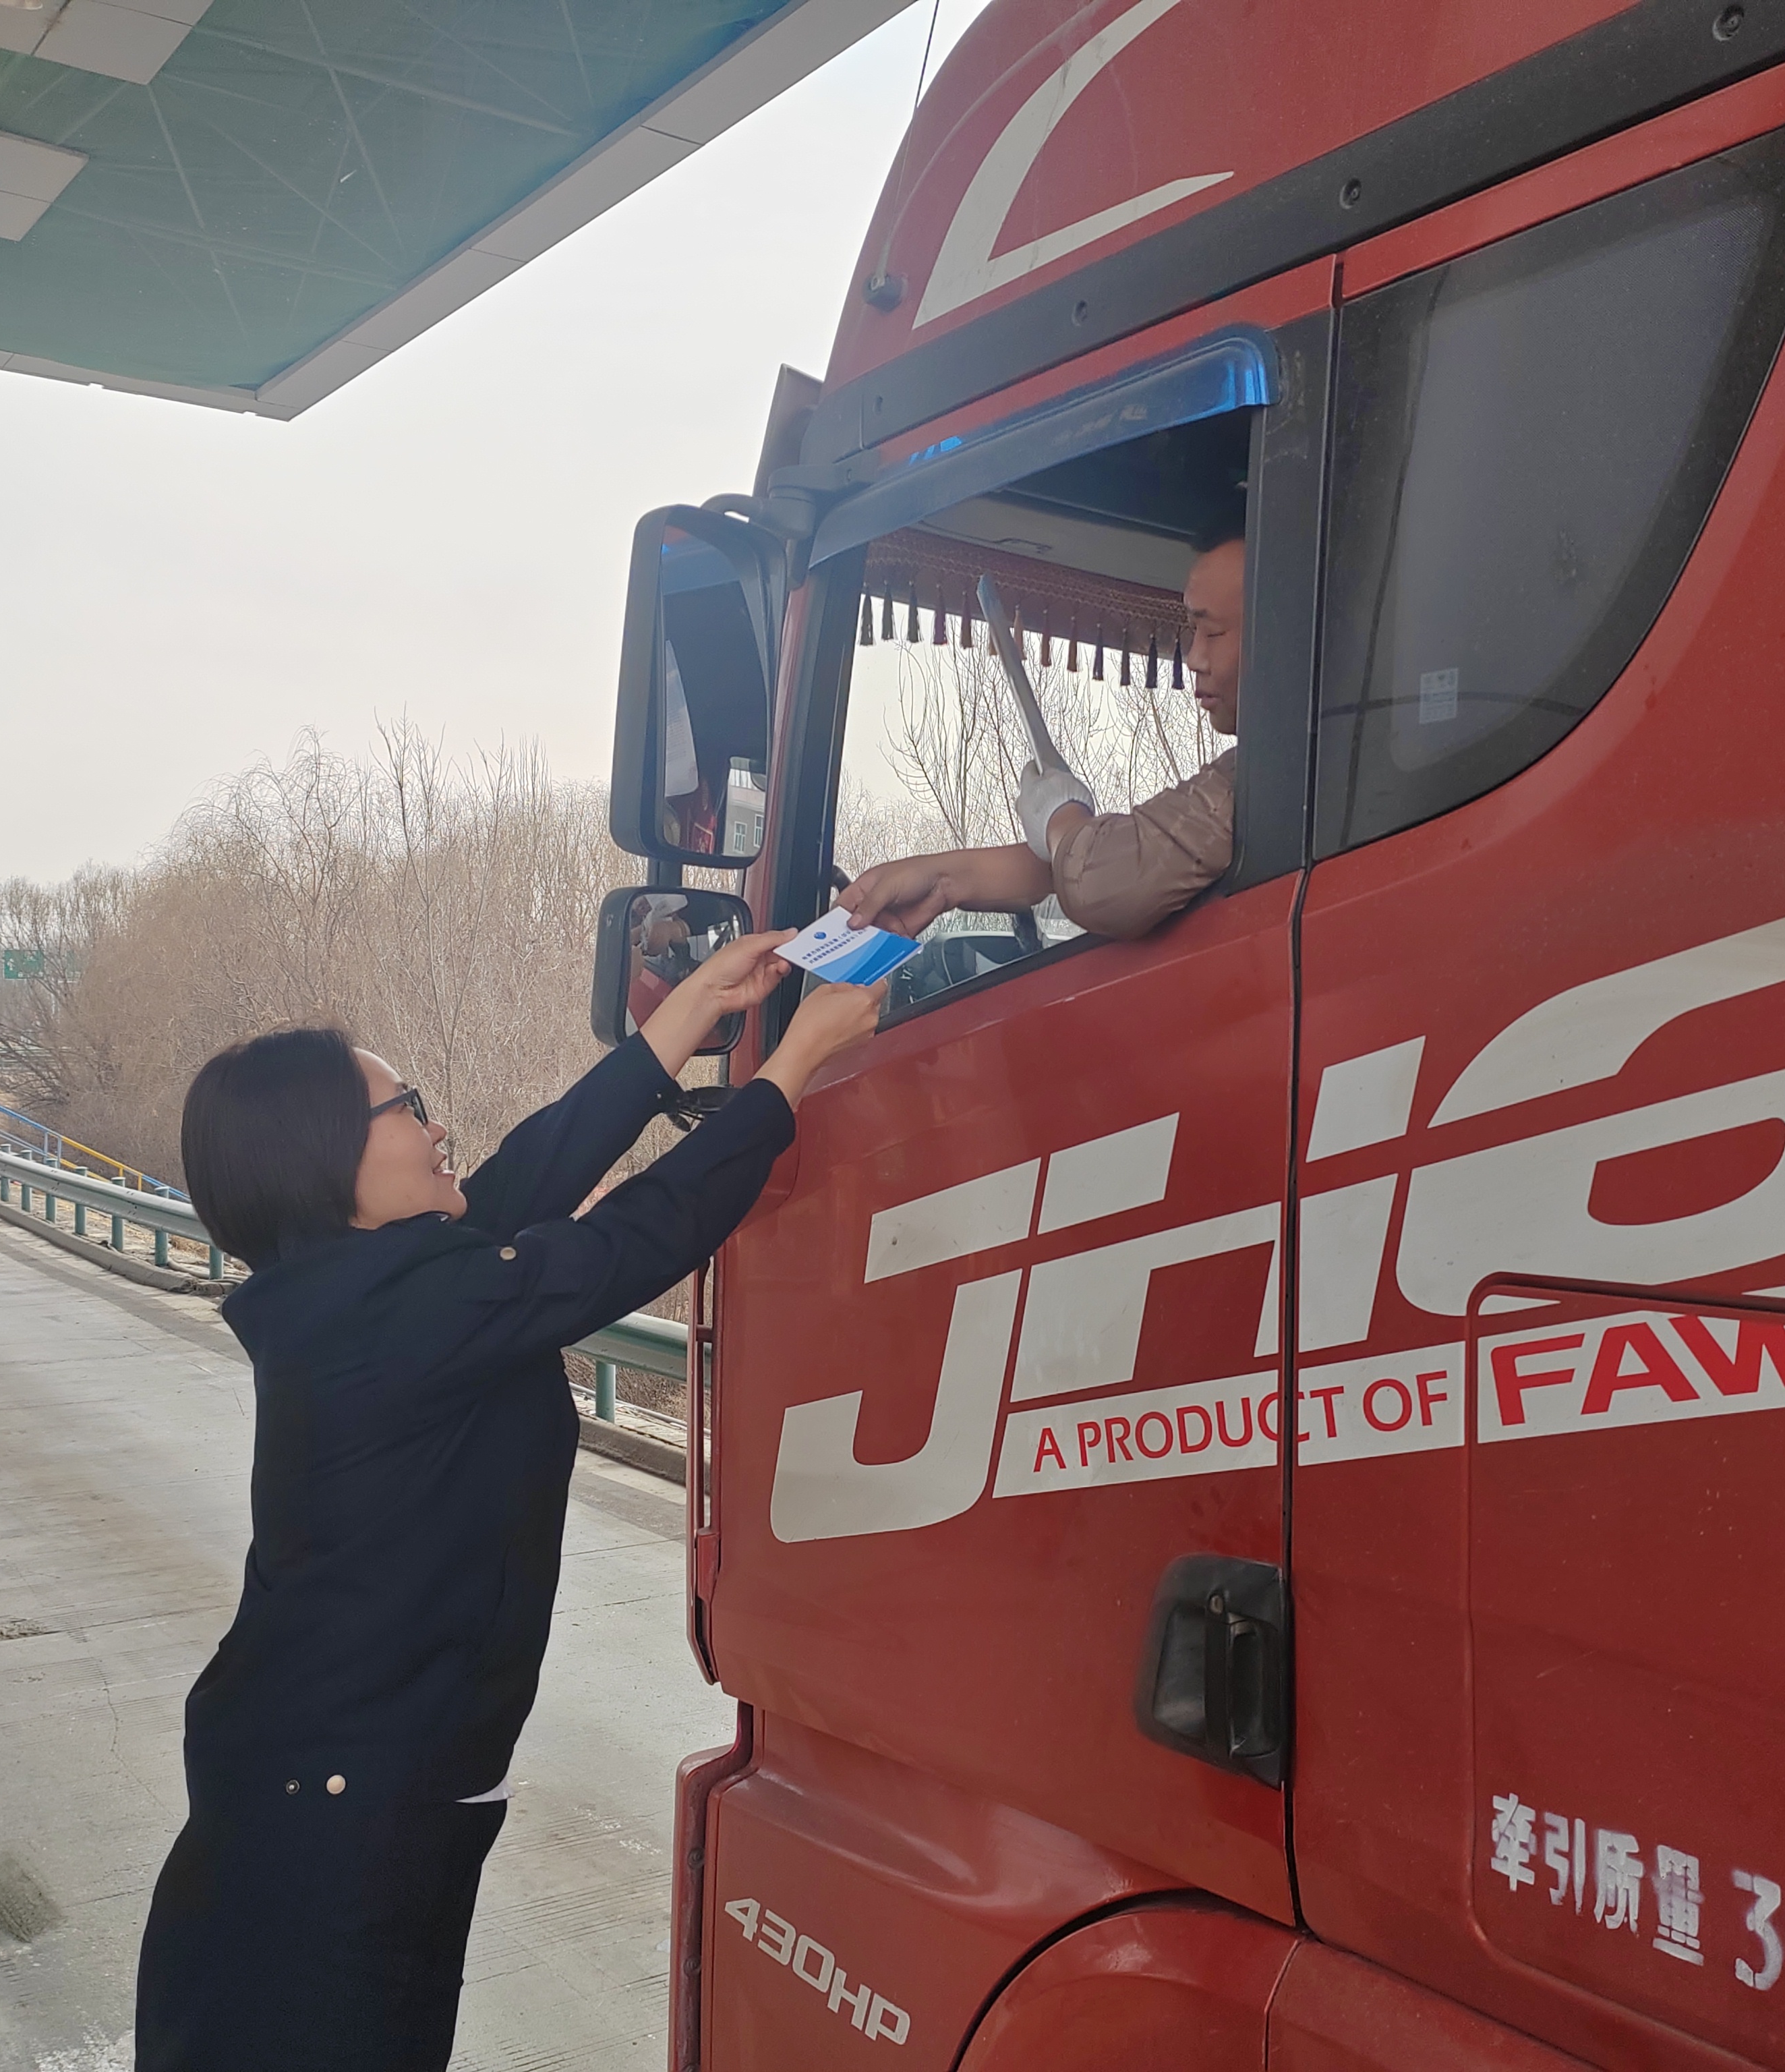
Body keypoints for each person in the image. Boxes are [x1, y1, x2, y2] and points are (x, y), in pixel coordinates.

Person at [136, 936, 879, 2072]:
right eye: (407, 1108)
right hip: (336, 1815)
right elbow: (638, 1235)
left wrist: (689, 1012)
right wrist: (790, 1074)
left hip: (332, 1784)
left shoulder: (358, 1288)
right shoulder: (398, 1318)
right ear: (326, 1158)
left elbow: (537, 1164)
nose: (437, 1128)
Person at [840, 525, 1244, 944]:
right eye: (1192, 633)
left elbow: (1103, 880)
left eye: (1214, 632)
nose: (1195, 658)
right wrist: (944, 879)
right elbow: (1142, 854)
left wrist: (1058, 811)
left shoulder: (1264, 774)